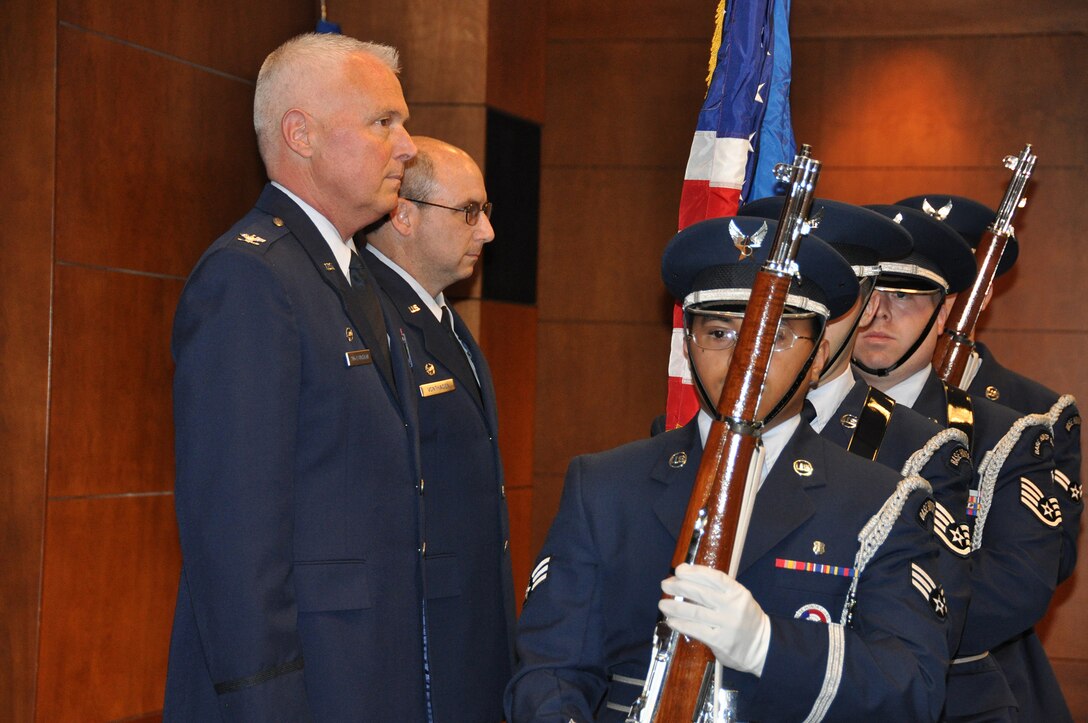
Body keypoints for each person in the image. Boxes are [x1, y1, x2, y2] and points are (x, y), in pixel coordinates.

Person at [506, 216, 950, 722]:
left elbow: (913, 684)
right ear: (688, 347)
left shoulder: (880, 502)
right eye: (720, 333)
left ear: (819, 355)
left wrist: (767, 644)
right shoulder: (606, 486)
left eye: (776, 337)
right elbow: (552, 668)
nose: (747, 359)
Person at [164, 34, 434, 720]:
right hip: (296, 691)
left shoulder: (352, 276)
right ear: (300, 134)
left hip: (364, 677)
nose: (407, 146)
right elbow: (235, 538)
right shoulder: (251, 278)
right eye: (384, 123)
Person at [853, 204, 1070, 721]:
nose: (878, 313)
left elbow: (1015, 586)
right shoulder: (802, 422)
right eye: (867, 294)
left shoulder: (1008, 432)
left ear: (945, 310)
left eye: (904, 296)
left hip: (955, 693)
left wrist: (855, 644)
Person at [362, 136, 514, 721]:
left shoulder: (440, 317)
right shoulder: (373, 319)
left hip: (469, 623)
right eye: (469, 212)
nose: (487, 233)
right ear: (403, 214)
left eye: (486, 212)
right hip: (418, 635)